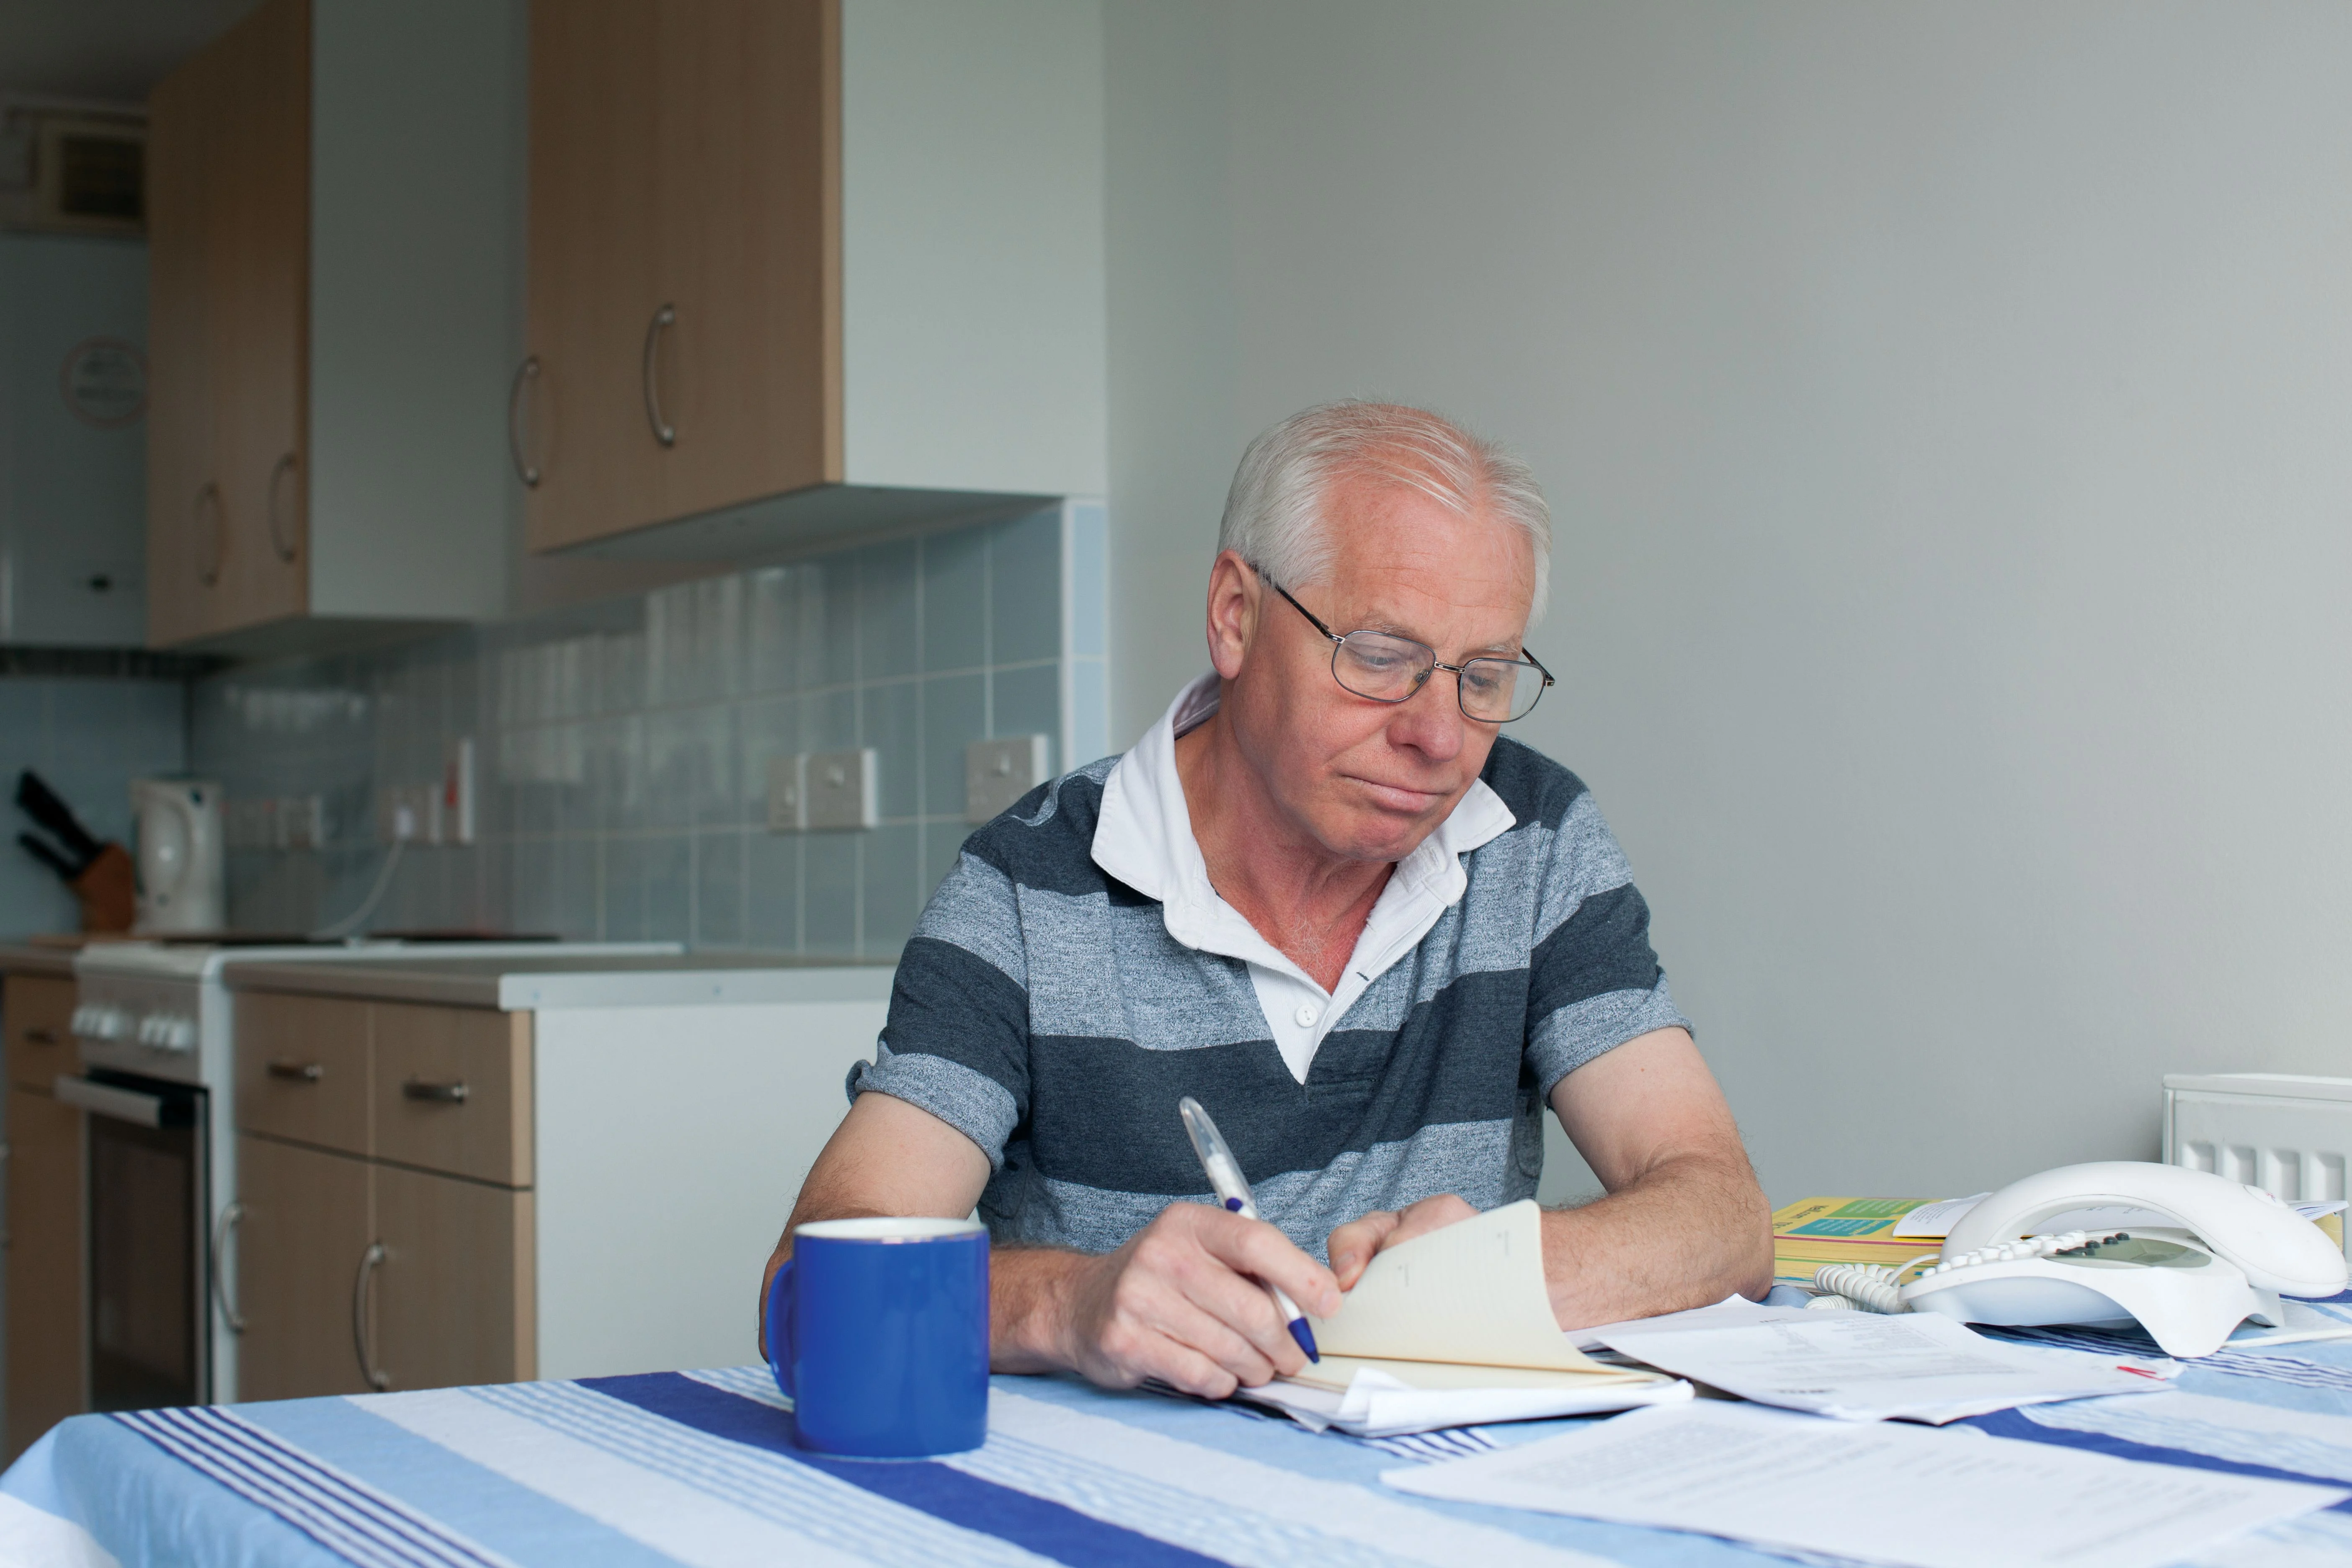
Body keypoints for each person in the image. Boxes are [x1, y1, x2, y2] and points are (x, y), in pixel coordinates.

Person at [762, 401, 1773, 1397]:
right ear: (1236, 616)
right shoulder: (1028, 887)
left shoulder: (1533, 835)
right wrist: (1069, 1306)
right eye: (1381, 657)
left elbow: (1724, 1217)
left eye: (1486, 675)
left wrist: (1495, 1275)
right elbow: (810, 1288)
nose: (1440, 737)